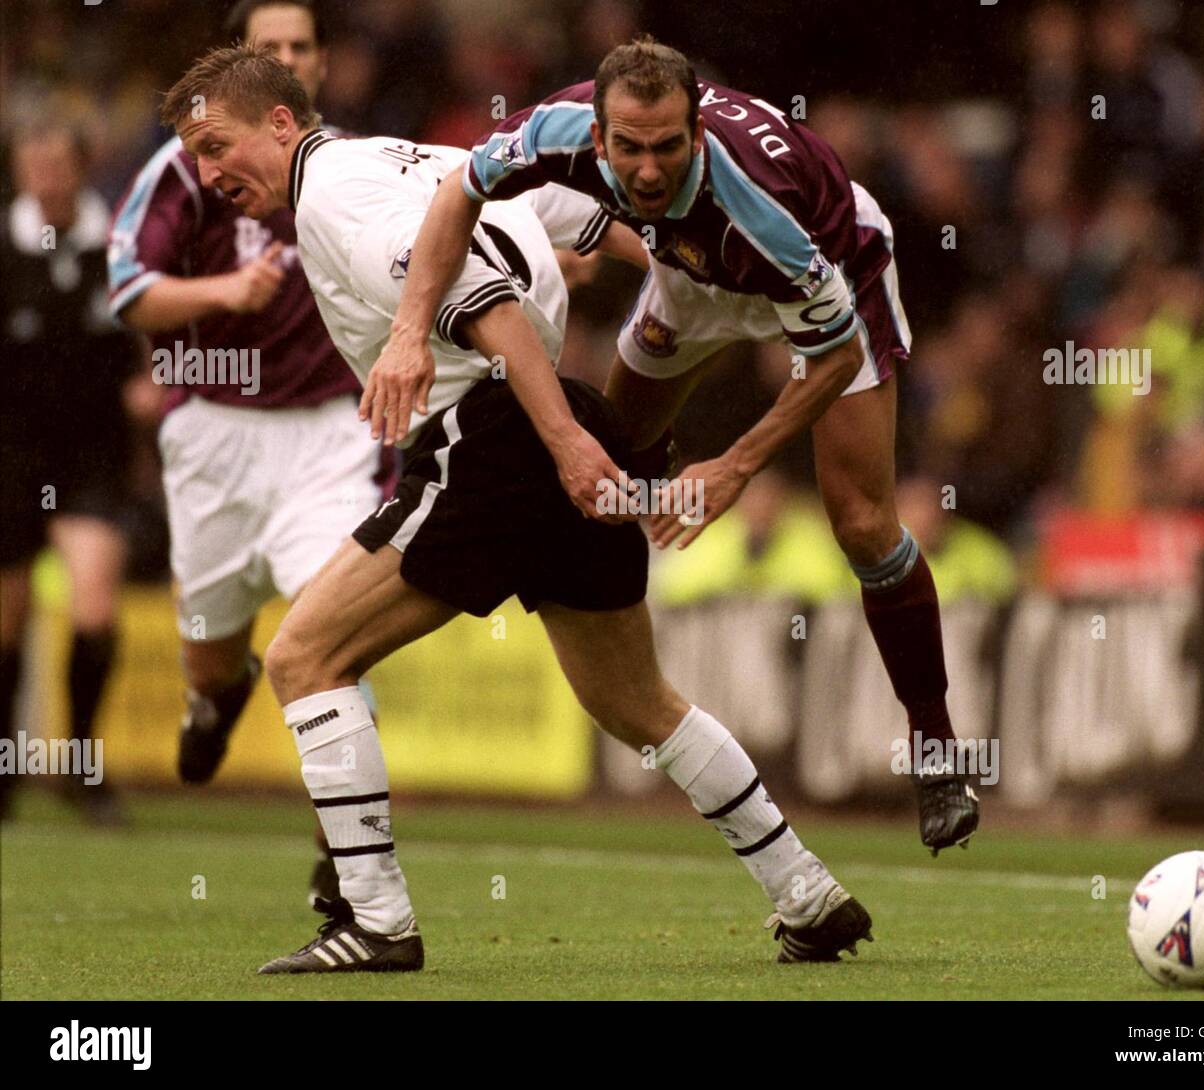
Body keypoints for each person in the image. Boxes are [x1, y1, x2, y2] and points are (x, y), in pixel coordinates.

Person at [161, 44, 874, 972]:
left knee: (304, 657)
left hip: (500, 434)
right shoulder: (409, 158)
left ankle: (374, 922)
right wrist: (646, 317)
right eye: (194, 158)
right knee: (634, 702)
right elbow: (575, 214)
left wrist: (560, 439)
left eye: (217, 145)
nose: (208, 173)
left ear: (283, 122)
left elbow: (484, 300)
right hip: (558, 419)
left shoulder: (333, 192)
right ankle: (807, 893)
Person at [368, 37, 979, 854]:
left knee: (864, 525)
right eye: (629, 149)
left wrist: (734, 464)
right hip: (689, 279)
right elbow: (456, 192)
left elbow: (829, 356)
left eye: (666, 148)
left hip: (832, 274)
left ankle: (937, 750)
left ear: (696, 132)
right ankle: (639, 693)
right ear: (598, 137)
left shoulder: (767, 211)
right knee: (605, 470)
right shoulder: (555, 126)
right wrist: (409, 333)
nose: (647, 171)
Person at [108, 0, 375, 903]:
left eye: (302, 47)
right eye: (270, 47)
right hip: (215, 431)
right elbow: (130, 291)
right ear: (239, 66)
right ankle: (217, 694)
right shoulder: (184, 166)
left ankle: (345, 859)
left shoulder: (353, 166)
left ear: (320, 69)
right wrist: (228, 291)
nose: (288, 58)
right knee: (208, 650)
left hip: (331, 432)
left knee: (335, 638)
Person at [1, 121, 141, 825]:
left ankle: (80, 766)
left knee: (93, 610)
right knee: (8, 622)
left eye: (59, 162)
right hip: (10, 457)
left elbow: (152, 335)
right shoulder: (5, 247)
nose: (47, 176)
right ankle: (4, 771)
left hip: (93, 457)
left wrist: (152, 386)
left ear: (82, 167)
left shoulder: (117, 245)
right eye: (35, 162)